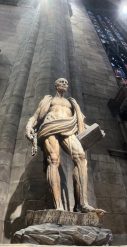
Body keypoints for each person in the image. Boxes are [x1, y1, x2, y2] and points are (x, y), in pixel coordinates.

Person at [26, 78, 97, 212]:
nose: (65, 84)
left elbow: (79, 120)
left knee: (81, 157)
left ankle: (82, 203)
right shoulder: (49, 99)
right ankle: (58, 206)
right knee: (53, 160)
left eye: (66, 83)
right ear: (56, 85)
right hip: (50, 126)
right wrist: (29, 126)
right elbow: (36, 116)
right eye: (62, 82)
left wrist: (92, 128)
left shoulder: (71, 102)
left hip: (68, 127)